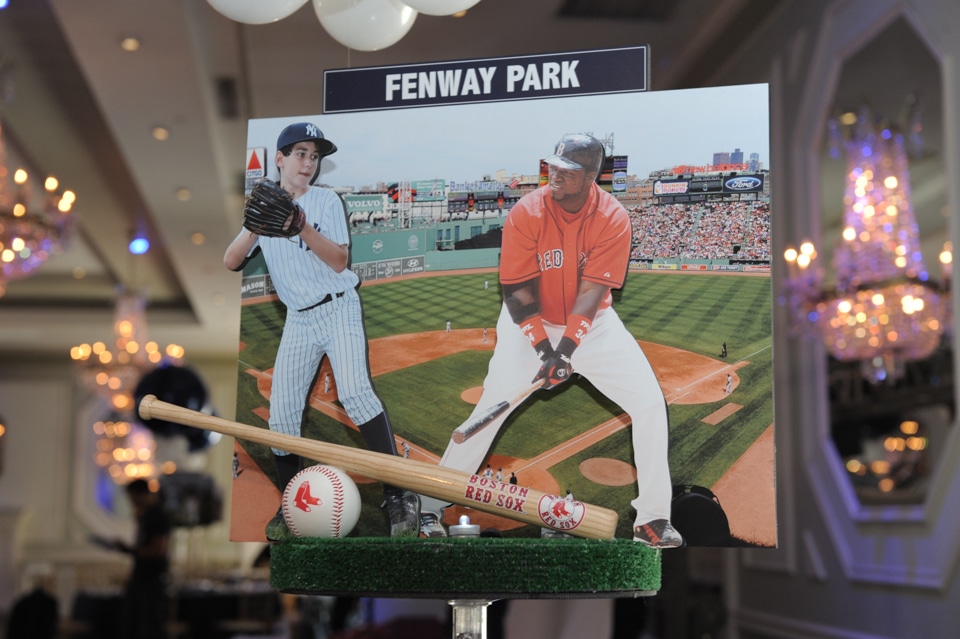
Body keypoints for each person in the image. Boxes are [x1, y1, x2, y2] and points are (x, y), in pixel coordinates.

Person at [420, 133, 682, 548]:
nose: (555, 173)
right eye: (553, 165)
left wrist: (567, 352)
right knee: (489, 410)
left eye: (568, 169)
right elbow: (518, 293)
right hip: (530, 322)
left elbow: (592, 293)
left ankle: (652, 519)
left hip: (594, 325)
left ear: (592, 175)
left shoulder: (613, 217)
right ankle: (429, 507)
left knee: (649, 402)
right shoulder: (527, 212)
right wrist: (545, 351)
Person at [224, 122, 419, 540]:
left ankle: (399, 493)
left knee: (354, 392)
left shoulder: (326, 200)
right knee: (282, 414)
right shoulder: (266, 206)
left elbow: (339, 262)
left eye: (314, 156)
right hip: (299, 319)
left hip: (338, 309)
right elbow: (230, 260)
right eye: (300, 154)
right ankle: (288, 499)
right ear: (279, 159)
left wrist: (300, 226)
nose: (308, 163)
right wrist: (257, 225)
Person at [112, 479, 172, 639]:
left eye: (131, 497)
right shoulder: (145, 516)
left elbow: (158, 549)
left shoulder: (158, 516)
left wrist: (130, 550)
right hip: (142, 576)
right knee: (134, 622)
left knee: (150, 624)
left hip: (151, 579)